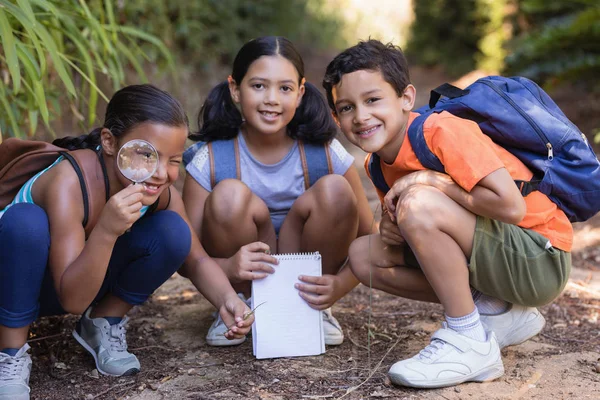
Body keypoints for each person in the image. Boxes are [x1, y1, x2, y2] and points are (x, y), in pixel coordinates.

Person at [322, 40, 572, 388]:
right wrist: (390, 229)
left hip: (540, 257)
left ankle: (468, 338)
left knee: (419, 203)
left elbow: (511, 207)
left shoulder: (439, 131)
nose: (361, 116)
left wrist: (428, 180)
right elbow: (425, 235)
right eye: (347, 108)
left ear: (406, 98)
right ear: (336, 118)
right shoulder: (377, 164)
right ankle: (499, 311)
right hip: (499, 257)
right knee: (363, 256)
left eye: (373, 99)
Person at [0, 85, 252, 400]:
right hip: (14, 283)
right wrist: (106, 229)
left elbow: (196, 258)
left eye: (174, 160)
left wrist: (228, 299)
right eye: (147, 155)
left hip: (70, 282)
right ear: (109, 142)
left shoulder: (158, 192)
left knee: (173, 231)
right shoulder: (70, 181)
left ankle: (101, 323)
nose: (162, 173)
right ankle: (8, 353)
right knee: (26, 223)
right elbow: (71, 300)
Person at [182, 36, 375, 347]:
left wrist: (339, 285)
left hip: (307, 269)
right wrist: (228, 270)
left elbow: (370, 237)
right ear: (235, 89)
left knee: (336, 190)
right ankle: (234, 305)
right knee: (228, 194)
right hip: (239, 278)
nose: (272, 98)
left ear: (299, 93)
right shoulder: (210, 159)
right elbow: (186, 254)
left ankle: (312, 306)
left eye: (284, 88)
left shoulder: (326, 153)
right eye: (258, 86)